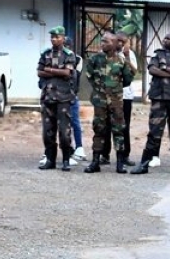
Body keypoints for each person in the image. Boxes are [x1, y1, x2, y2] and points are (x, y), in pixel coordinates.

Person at [130, 31, 170, 175]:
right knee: (154, 132)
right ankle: (144, 164)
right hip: (158, 98)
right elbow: (152, 70)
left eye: (168, 38)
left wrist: (165, 69)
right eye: (164, 38)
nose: (164, 40)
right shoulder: (158, 54)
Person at [82, 31, 135, 174]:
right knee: (99, 129)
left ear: (113, 43)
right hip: (100, 101)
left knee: (119, 130)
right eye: (102, 41)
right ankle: (95, 162)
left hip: (116, 102)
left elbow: (128, 80)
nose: (102, 44)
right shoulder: (95, 59)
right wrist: (100, 89)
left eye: (106, 41)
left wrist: (114, 89)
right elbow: (89, 76)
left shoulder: (121, 61)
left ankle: (120, 162)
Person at [36, 26, 77, 171]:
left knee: (64, 132)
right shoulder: (45, 54)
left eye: (57, 37)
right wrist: (55, 72)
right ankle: (50, 160)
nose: (54, 39)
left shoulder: (69, 54)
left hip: (63, 99)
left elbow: (67, 73)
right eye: (52, 37)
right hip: (47, 97)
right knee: (48, 132)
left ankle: (66, 160)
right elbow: (39, 72)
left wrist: (49, 70)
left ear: (63, 38)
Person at [101, 32, 139, 167]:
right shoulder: (106, 53)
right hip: (107, 95)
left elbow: (135, 72)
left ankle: (124, 155)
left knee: (124, 127)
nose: (121, 44)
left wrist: (126, 57)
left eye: (124, 41)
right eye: (119, 41)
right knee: (105, 125)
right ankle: (104, 155)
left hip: (125, 96)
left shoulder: (129, 54)